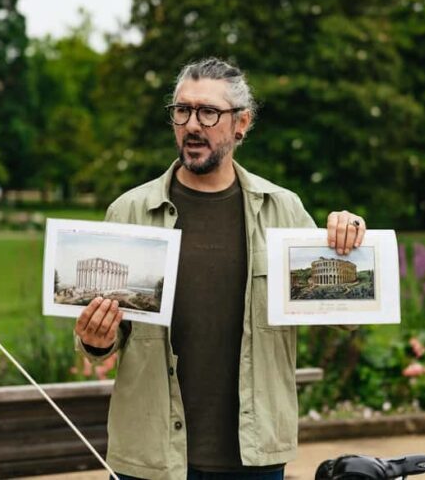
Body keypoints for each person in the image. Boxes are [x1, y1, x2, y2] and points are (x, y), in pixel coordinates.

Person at [74, 57, 366, 480]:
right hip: (151, 456)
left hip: (254, 456)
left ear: (241, 123)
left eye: (209, 112)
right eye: (182, 110)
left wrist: (350, 242)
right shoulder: (129, 211)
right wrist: (95, 338)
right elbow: (104, 337)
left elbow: (346, 316)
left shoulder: (282, 209)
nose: (193, 124)